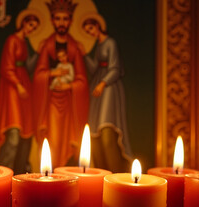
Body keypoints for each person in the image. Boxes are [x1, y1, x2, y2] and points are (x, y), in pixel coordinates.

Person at [33, 0, 89, 168]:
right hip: (51, 103)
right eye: (58, 18)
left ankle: (63, 173)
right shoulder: (47, 46)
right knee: (54, 139)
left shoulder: (75, 49)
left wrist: (69, 86)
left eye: (65, 19)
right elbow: (38, 76)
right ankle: (52, 172)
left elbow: (82, 80)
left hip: (69, 104)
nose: (61, 23)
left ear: (71, 21)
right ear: (52, 21)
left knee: (66, 141)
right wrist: (52, 73)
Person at [82, 14, 133, 172]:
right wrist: (84, 54)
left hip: (109, 88)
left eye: (91, 28)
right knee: (95, 133)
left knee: (106, 130)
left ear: (98, 26)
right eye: (87, 31)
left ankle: (115, 172)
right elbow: (94, 69)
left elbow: (115, 68)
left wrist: (103, 83)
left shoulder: (110, 42)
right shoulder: (99, 45)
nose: (90, 32)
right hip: (98, 88)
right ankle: (103, 171)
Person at [0, 10, 40, 174]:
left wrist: (39, 54)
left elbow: (26, 65)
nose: (31, 29)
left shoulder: (24, 42)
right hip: (13, 88)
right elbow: (6, 67)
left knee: (25, 132)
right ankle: (5, 171)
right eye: (30, 25)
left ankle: (19, 171)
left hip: (24, 84)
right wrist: (18, 85)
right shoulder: (12, 40)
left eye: (34, 28)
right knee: (14, 129)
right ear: (24, 23)